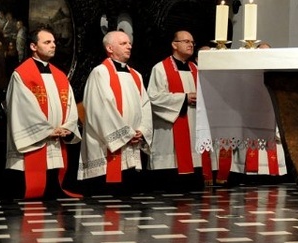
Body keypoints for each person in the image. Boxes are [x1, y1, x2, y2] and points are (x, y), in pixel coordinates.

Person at [5, 27, 81, 199]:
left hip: (57, 138)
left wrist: (66, 127)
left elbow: (70, 105)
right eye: (47, 42)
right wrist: (48, 131)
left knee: (53, 199)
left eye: (54, 42)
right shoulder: (22, 75)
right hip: (36, 144)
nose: (53, 45)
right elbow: (23, 109)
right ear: (33, 46)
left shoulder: (60, 75)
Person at [78, 30, 153, 194]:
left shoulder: (136, 75)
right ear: (110, 48)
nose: (129, 46)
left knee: (129, 201)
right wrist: (126, 134)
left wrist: (141, 130)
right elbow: (101, 109)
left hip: (132, 143)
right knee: (107, 200)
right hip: (107, 147)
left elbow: (145, 105)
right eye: (123, 43)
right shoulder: (100, 73)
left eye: (129, 43)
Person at [147, 30, 206, 191]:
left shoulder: (197, 69)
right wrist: (184, 98)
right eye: (186, 41)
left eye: (192, 43)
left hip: (193, 125)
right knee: (169, 184)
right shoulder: (160, 69)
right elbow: (153, 98)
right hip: (169, 129)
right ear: (174, 44)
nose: (190, 45)